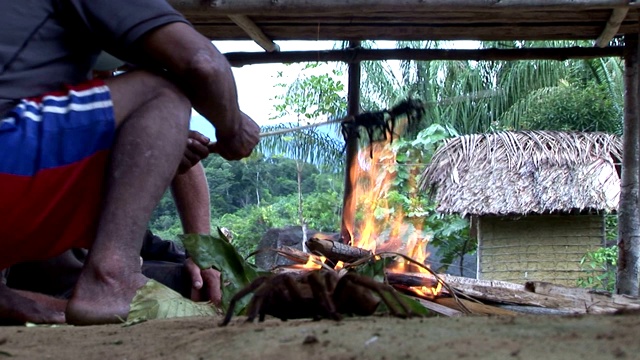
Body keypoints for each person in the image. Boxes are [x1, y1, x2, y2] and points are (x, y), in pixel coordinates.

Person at [0, 1, 260, 325]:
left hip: (50, 223)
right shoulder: (48, 122)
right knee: (162, 91)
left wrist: (202, 253)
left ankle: (113, 278)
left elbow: (166, 140)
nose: (104, 82)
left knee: (199, 281)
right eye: (97, 74)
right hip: (46, 259)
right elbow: (201, 63)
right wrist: (233, 126)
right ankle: (111, 277)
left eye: (108, 74)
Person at [3, 154, 222, 306]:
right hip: (63, 285)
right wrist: (69, 309)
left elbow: (182, 147)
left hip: (120, 241)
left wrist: (202, 257)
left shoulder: (113, 108)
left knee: (217, 280)